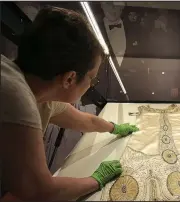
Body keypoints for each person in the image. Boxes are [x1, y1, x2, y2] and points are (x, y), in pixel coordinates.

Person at [0, 7, 139, 200]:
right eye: (92, 78)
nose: (91, 85)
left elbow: (85, 121)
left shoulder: (37, 91)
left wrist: (114, 128)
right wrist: (96, 179)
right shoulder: (17, 97)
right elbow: (40, 191)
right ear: (69, 79)